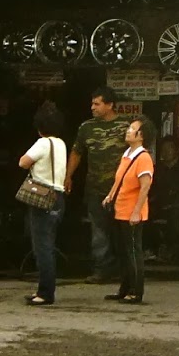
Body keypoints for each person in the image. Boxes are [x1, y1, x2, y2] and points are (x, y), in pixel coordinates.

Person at [63, 87, 130, 282]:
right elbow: (77, 152)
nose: (92, 107)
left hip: (120, 189)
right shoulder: (86, 127)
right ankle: (102, 269)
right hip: (94, 188)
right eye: (92, 103)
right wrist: (68, 176)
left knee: (122, 230)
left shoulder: (126, 127)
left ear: (110, 105)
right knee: (98, 231)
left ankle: (125, 270)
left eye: (97, 104)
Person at [17, 101, 67, 306]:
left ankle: (45, 293)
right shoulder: (61, 144)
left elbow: (23, 162)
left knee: (42, 248)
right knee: (49, 245)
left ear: (40, 127)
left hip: (42, 198)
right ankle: (45, 289)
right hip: (58, 198)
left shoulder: (43, 143)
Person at [101, 117, 154, 305]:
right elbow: (119, 179)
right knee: (122, 252)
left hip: (132, 212)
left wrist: (136, 212)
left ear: (141, 136)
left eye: (132, 129)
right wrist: (110, 195)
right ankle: (124, 288)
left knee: (133, 252)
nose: (128, 131)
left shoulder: (144, 158)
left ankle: (136, 290)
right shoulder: (127, 154)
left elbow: (145, 187)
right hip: (120, 210)